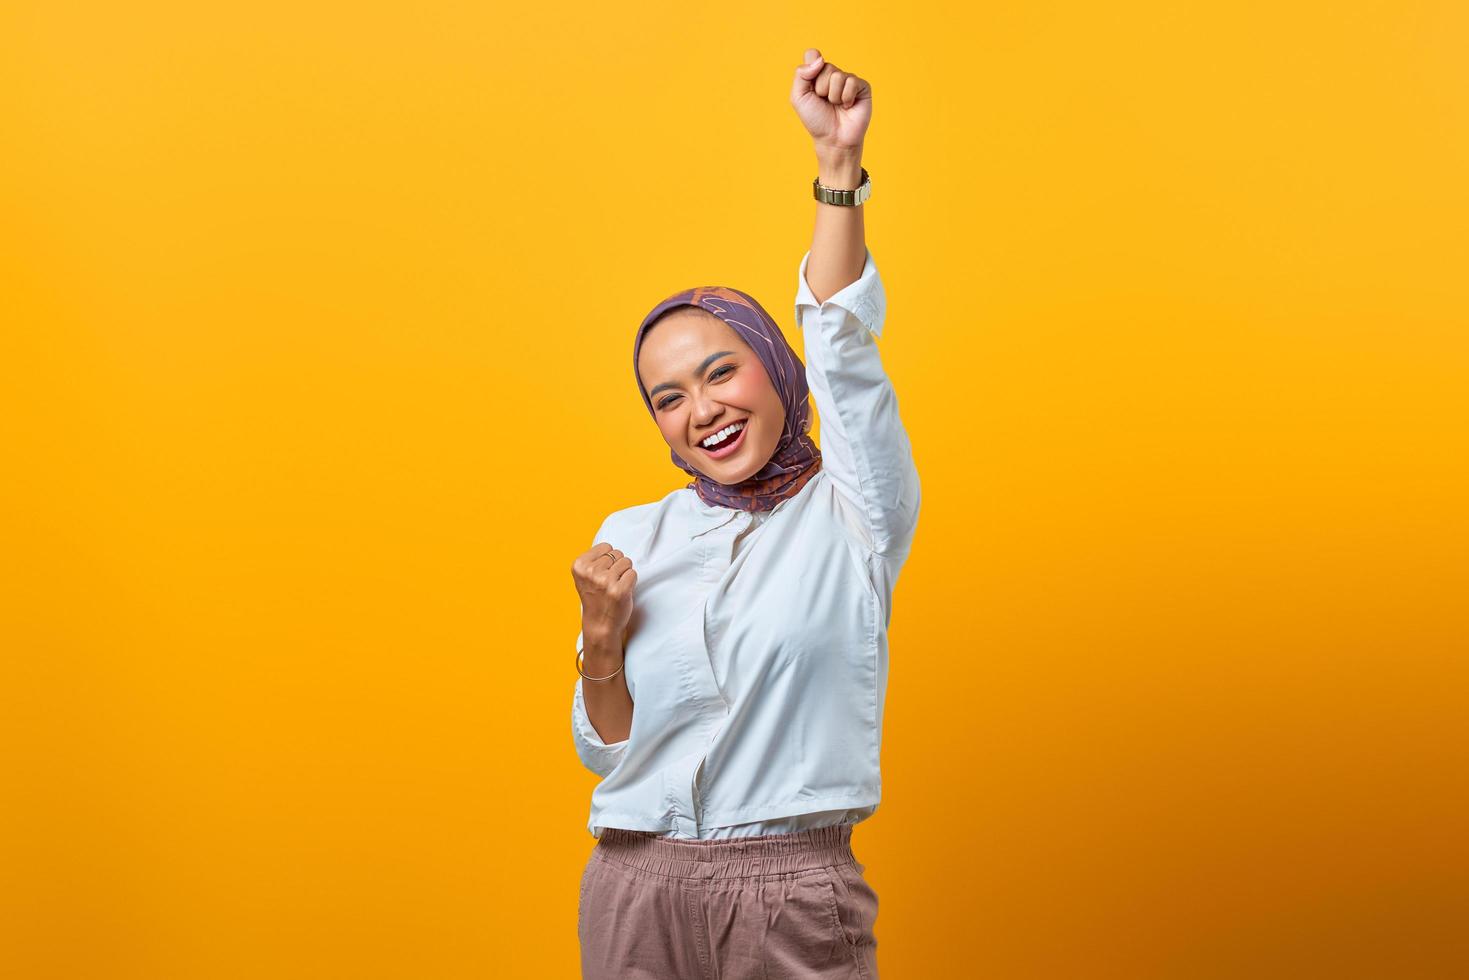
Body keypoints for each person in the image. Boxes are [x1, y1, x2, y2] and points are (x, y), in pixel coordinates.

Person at [570, 48, 919, 979]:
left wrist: (837, 172)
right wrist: (599, 644)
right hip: (630, 883)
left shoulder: (853, 513)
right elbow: (610, 755)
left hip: (787, 892)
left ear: (773, 363)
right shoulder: (632, 535)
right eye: (669, 397)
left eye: (722, 370)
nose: (703, 409)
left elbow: (844, 346)